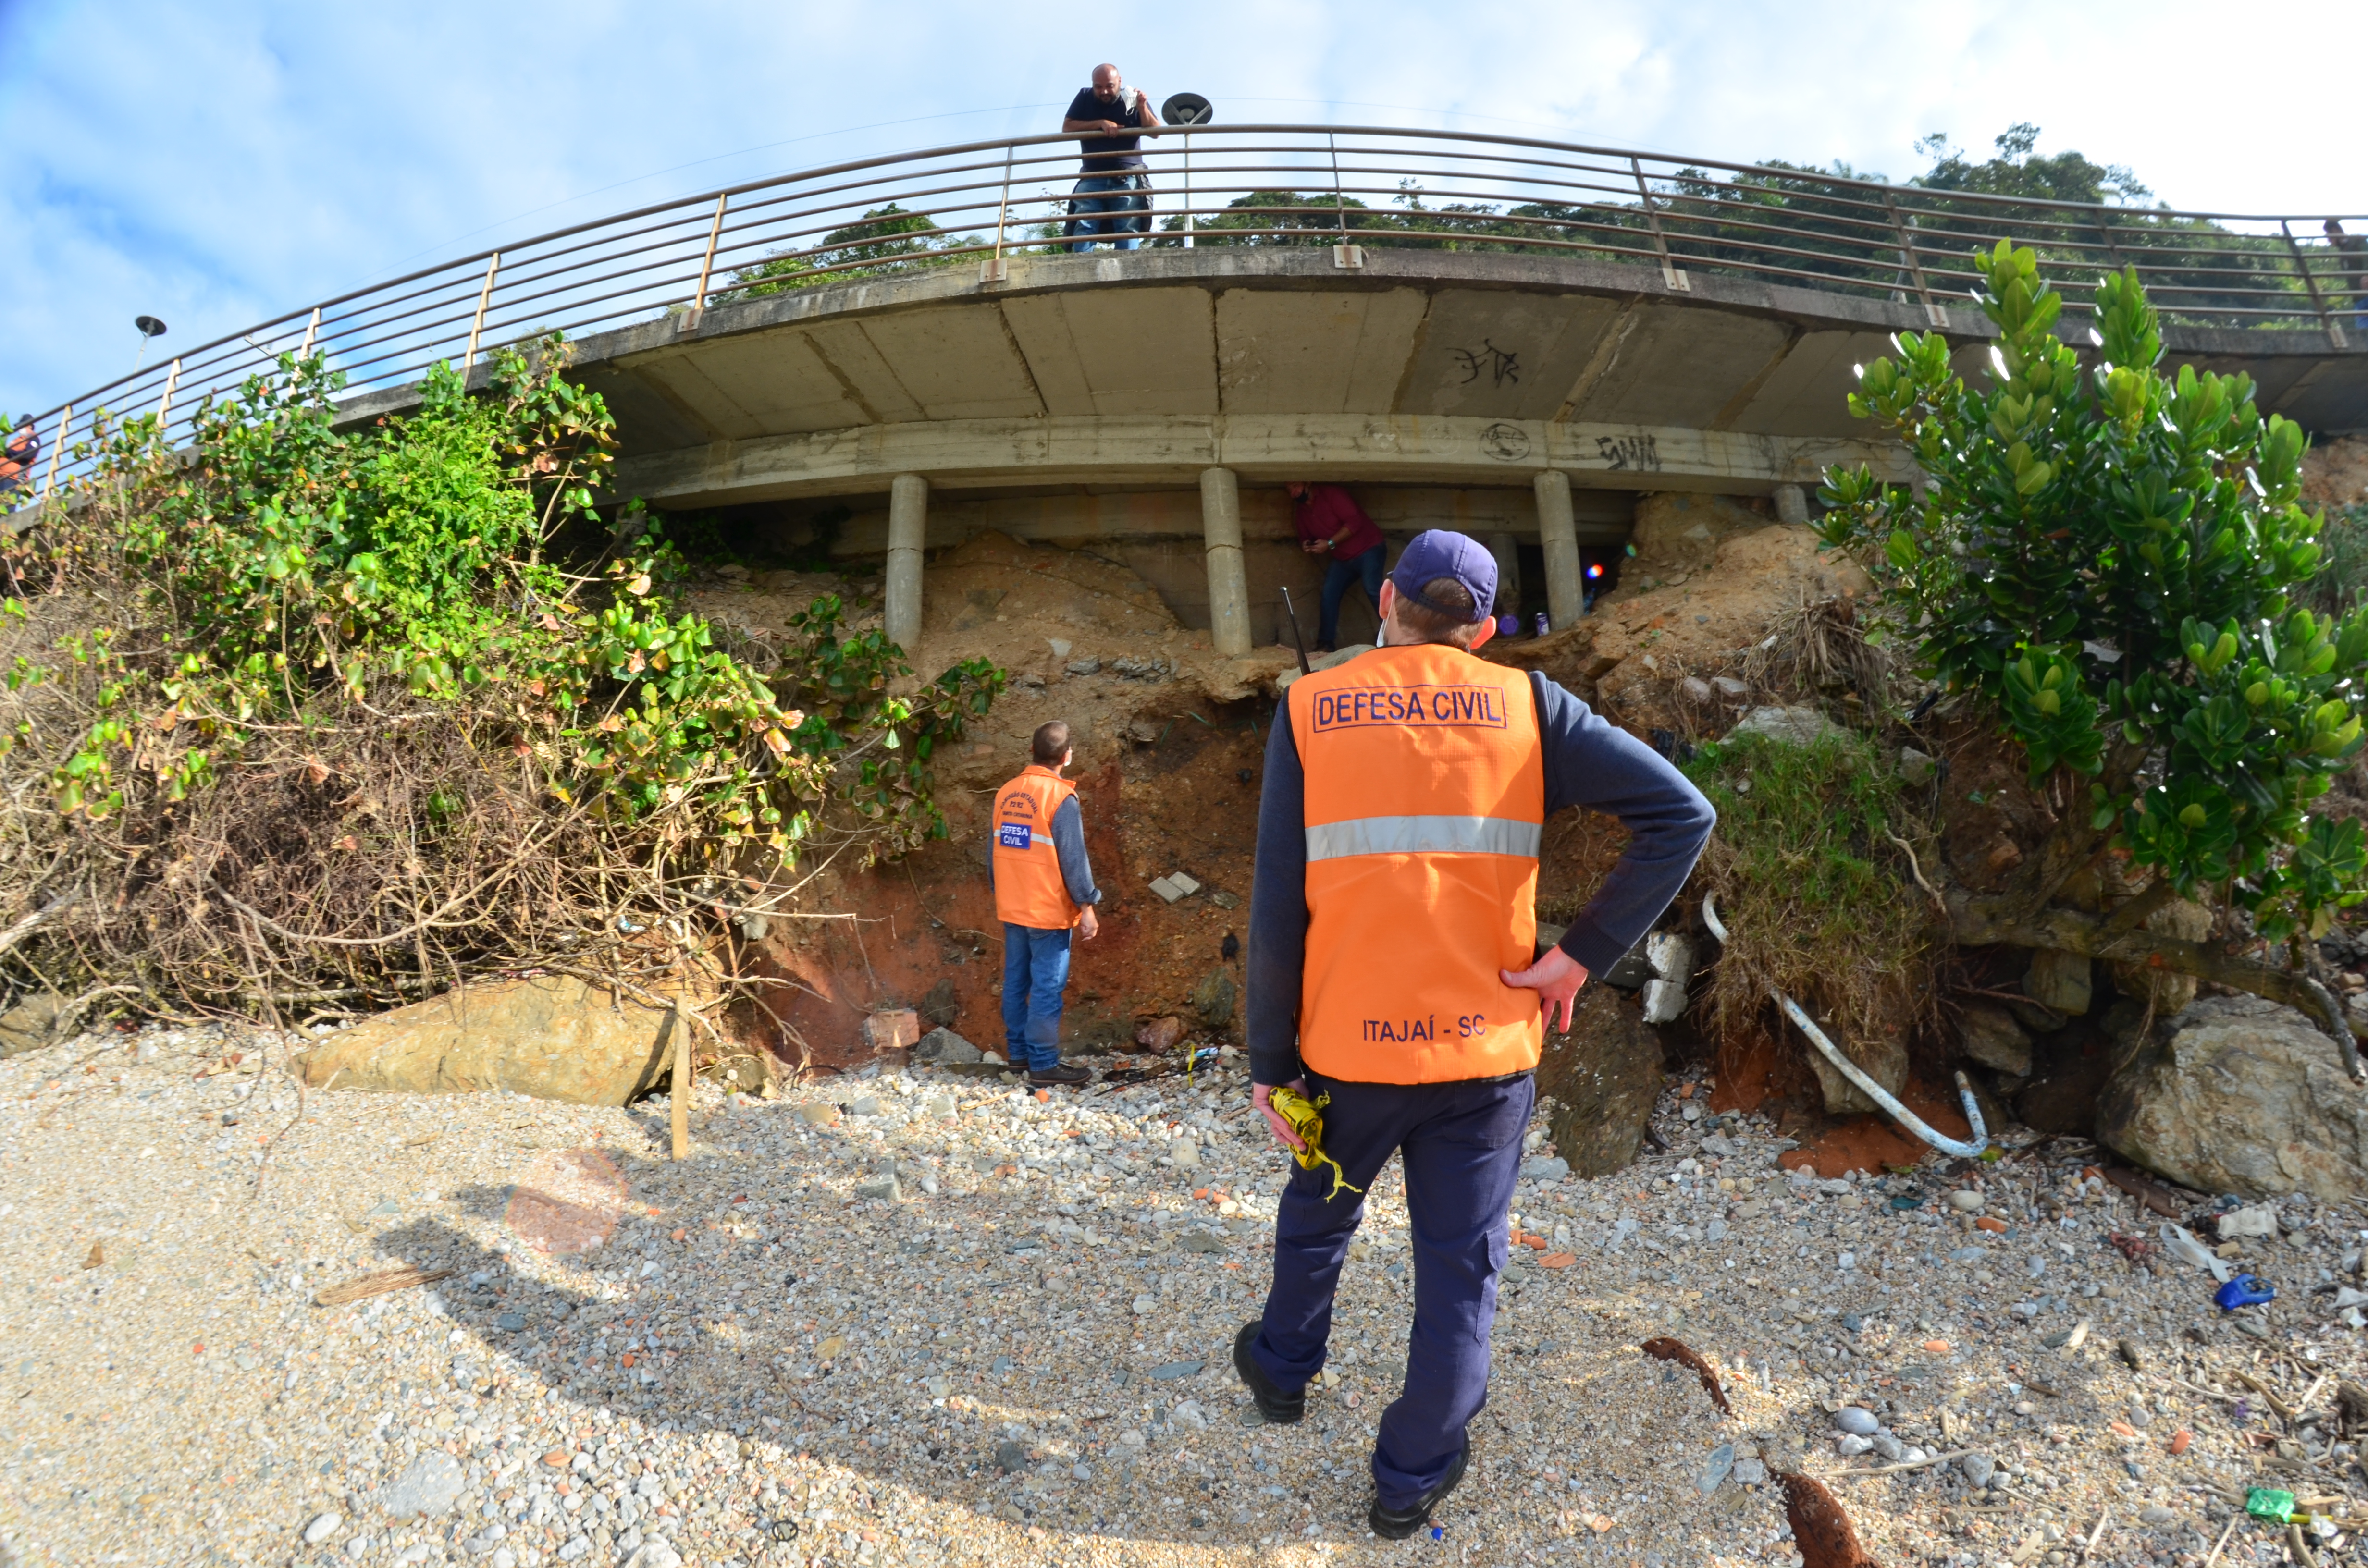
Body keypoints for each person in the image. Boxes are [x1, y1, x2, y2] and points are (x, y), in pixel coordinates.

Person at [1232, 529, 1714, 1539]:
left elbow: (1277, 903)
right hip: (1484, 1057)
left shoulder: (1311, 706)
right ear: (1487, 630)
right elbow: (1680, 814)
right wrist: (1580, 955)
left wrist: (1268, 1066)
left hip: (1345, 1057)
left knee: (1319, 1216)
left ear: (1385, 604)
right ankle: (1410, 1478)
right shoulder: (1528, 706)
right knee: (1460, 1269)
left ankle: (1280, 1373)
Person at [988, 720, 1104, 1087]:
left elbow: (994, 849)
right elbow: (1074, 858)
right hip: (1046, 911)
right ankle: (1043, 1065)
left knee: (1016, 982)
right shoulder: (1060, 798)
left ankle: (1019, 1057)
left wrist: (1001, 890)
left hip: (1013, 904)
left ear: (1031, 753)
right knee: (1046, 988)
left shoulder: (1007, 792)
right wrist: (1087, 905)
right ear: (1067, 757)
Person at [1061, 63, 1159, 253]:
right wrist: (1100, 123)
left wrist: (1142, 107)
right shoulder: (1084, 96)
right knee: (1085, 226)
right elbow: (1067, 127)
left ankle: (1127, 276)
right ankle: (1082, 273)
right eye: (1098, 87)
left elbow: (1155, 132)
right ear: (1092, 85)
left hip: (1128, 176)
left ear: (1120, 82)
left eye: (1110, 86)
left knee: (1128, 228)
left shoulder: (1131, 98)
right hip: (1092, 176)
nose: (1104, 91)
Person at [1287, 481, 1386, 651]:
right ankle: (1325, 644)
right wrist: (1306, 544)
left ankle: (1394, 637)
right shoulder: (1302, 511)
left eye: (1295, 486)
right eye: (1289, 489)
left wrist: (1331, 543)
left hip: (1368, 549)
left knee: (1373, 589)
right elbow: (1305, 536)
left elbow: (1354, 522)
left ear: (1308, 483)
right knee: (1328, 594)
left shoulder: (1332, 494)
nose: (1293, 493)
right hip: (1343, 558)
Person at [2328, 220, 2368, 334]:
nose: (2329, 241)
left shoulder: (2356, 240)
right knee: (2363, 332)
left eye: (2329, 237)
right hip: (2358, 298)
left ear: (2335, 231)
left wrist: (2366, 274)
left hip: (2364, 293)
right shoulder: (2342, 252)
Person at [0, 418, 39, 500]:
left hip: (13, 479)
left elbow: (28, 455)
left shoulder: (33, 438)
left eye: (21, 425)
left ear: (29, 425)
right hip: (2, 477)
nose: (19, 428)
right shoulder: (17, 440)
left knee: (6, 506)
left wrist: (9, 452)